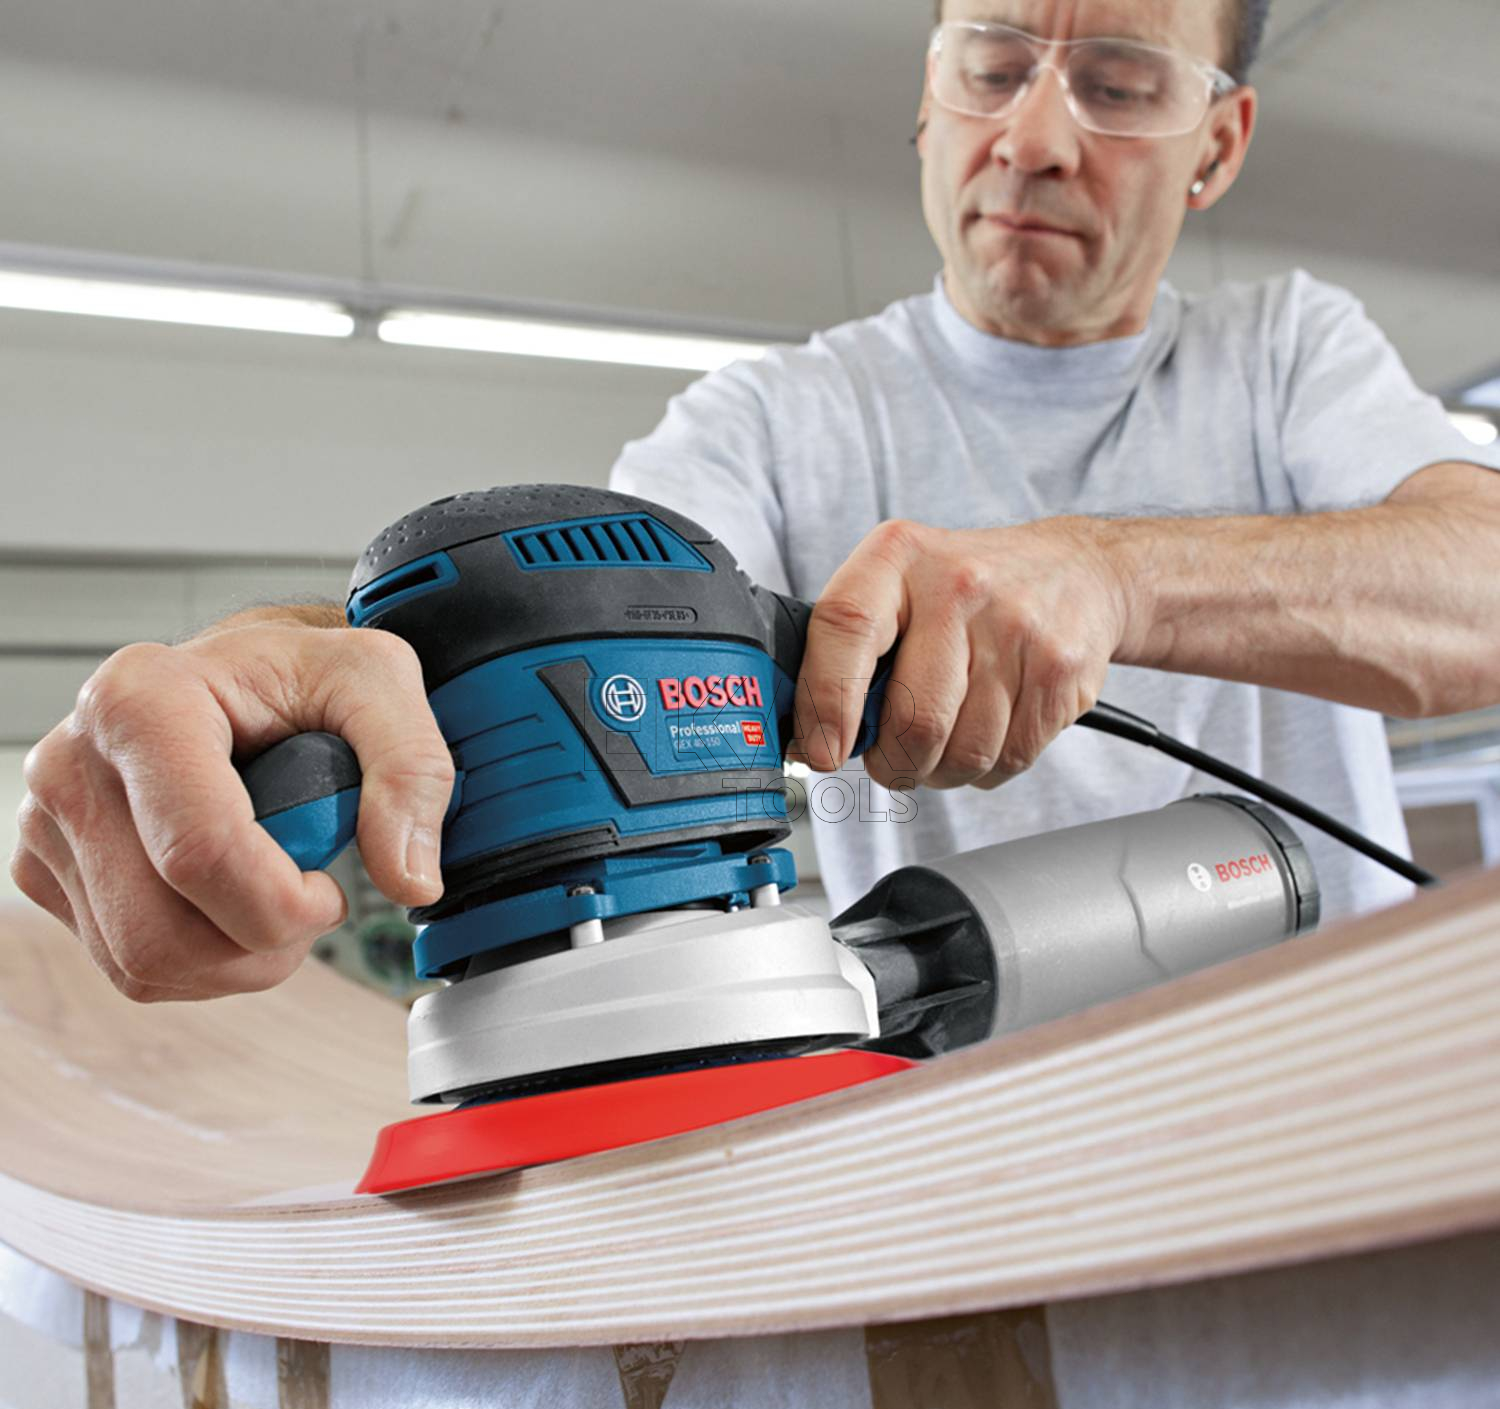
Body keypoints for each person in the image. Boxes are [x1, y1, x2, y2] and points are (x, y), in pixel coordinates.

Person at [11, 0, 1500, 1003]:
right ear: (927, 101)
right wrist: (281, 676)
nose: (1036, 138)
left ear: (1216, 146)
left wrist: (1111, 575)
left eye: (1119, 87)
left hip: (1326, 1123)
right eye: (989, 67)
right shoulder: (779, 418)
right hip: (961, 1154)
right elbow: (551, 619)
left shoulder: (1289, 352)